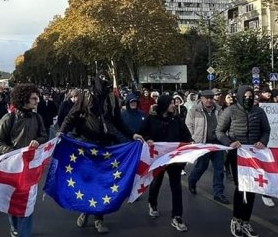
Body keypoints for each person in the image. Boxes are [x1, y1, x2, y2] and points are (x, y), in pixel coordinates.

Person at [60, 73, 143, 234]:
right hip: (87, 146)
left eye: (107, 83)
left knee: (101, 183)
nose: (105, 85)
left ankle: (99, 218)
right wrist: (61, 132)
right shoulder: (85, 97)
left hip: (105, 146)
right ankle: (85, 211)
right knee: (87, 182)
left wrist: (132, 135)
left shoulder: (112, 98)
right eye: (103, 82)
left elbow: (118, 121)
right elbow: (71, 117)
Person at [0, 84, 47, 237]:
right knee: (14, 200)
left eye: (38, 98)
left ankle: (24, 233)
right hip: (12, 167)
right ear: (24, 99)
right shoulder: (8, 118)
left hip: (31, 167)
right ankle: (15, 228)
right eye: (34, 98)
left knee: (28, 201)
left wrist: (38, 141)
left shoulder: (37, 117)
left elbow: (43, 136)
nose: (37, 101)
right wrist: (15, 153)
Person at [216, 85, 270, 237]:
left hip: (254, 154)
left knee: (252, 188)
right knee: (241, 187)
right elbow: (219, 131)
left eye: (250, 96)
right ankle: (236, 219)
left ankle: (246, 221)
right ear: (239, 96)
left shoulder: (259, 111)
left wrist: (262, 141)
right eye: (245, 96)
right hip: (237, 154)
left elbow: (266, 130)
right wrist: (229, 142)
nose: (248, 98)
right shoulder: (230, 111)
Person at [138, 95, 192, 232]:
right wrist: (148, 139)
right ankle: (152, 203)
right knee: (156, 182)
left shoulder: (177, 120)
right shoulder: (151, 119)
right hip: (158, 159)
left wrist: (189, 145)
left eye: (174, 103)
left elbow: (186, 136)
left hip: (174, 159)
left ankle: (177, 216)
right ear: (163, 105)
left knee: (176, 187)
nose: (174, 105)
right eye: (171, 103)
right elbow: (142, 133)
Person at [185, 89, 228, 203]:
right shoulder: (194, 110)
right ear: (201, 99)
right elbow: (188, 126)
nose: (209, 100)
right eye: (206, 98)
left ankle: (218, 193)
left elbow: (225, 125)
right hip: (202, 144)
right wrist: (192, 139)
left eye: (211, 98)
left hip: (217, 143)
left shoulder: (219, 110)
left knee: (219, 169)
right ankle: (192, 180)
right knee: (201, 166)